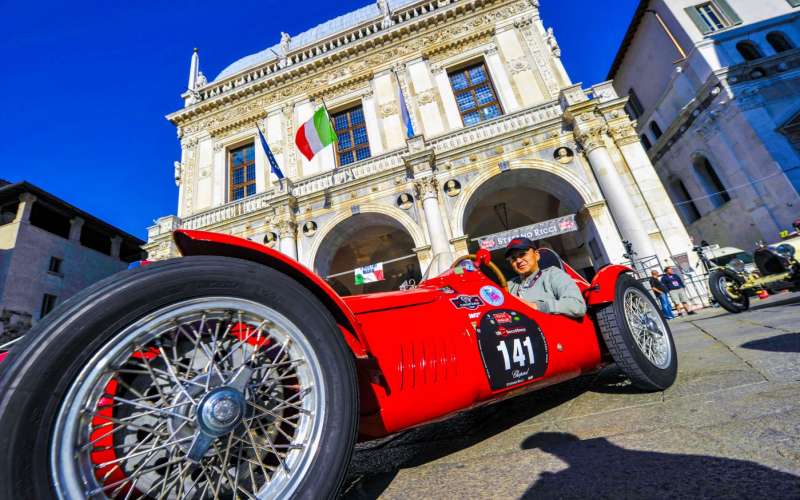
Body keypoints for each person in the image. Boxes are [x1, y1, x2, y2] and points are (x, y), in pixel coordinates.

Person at [505, 238, 586, 319]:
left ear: (536, 255)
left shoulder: (553, 274)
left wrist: (537, 306)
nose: (518, 261)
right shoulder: (509, 286)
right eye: (513, 258)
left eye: (522, 254)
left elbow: (577, 306)